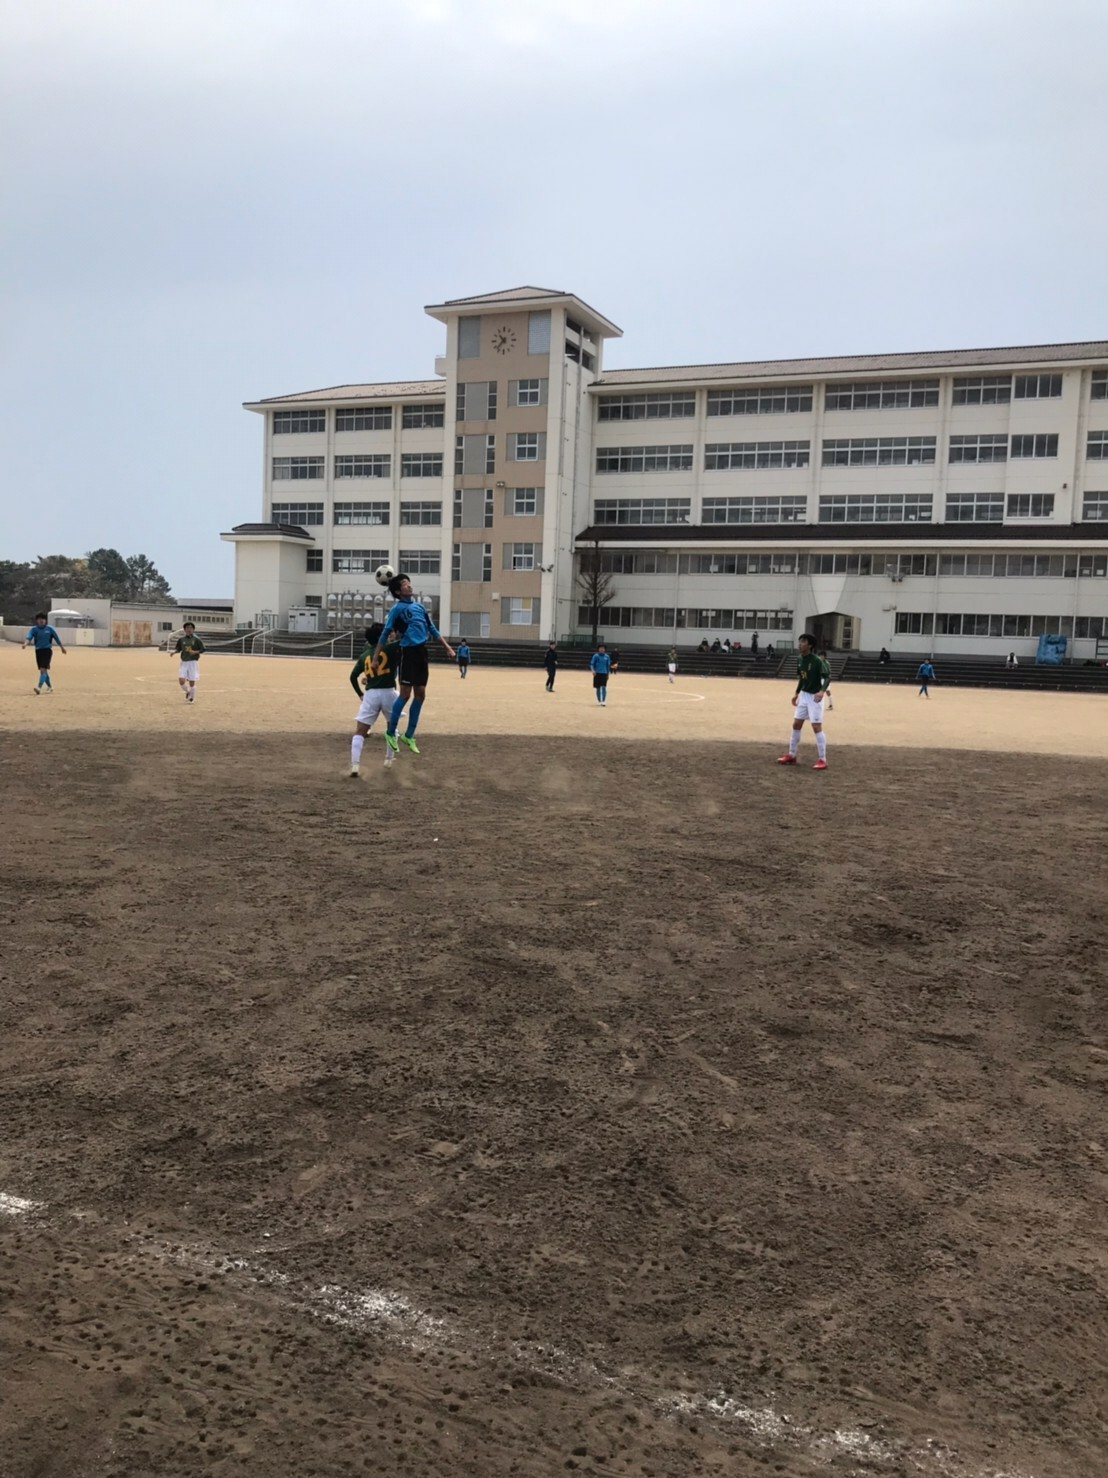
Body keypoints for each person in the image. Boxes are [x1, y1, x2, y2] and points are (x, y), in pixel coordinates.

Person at [375, 573, 455, 755]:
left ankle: (409, 735)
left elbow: (432, 629)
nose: (409, 586)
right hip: (408, 652)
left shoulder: (419, 607)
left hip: (421, 653)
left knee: (421, 694)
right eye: (405, 584)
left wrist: (448, 647)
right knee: (405, 694)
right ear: (398, 591)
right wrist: (375, 657)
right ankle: (390, 733)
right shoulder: (397, 610)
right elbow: (385, 633)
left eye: (409, 583)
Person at [348, 622, 399, 776]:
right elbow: (406, 640)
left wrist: (360, 694)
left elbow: (353, 676)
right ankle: (389, 760)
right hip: (389, 692)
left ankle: (355, 765)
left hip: (371, 694)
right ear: (380, 637)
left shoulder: (364, 655)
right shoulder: (390, 648)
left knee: (360, 731)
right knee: (392, 727)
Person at [777, 633, 831, 770]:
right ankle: (792, 755)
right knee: (796, 724)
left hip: (815, 697)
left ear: (810, 645)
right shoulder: (800, 659)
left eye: (803, 642)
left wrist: (822, 691)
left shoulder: (817, 661)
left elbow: (827, 677)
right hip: (804, 695)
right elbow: (802, 678)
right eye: (800, 641)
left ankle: (823, 759)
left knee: (816, 727)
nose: (800, 644)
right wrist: (796, 694)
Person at [25, 613, 66, 694]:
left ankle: (39, 687)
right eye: (39, 619)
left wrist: (62, 648)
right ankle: (50, 687)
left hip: (47, 651)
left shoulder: (50, 629)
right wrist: (25, 644)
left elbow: (57, 638)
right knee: (43, 671)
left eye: (43, 619)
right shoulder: (34, 629)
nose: (41, 620)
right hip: (38, 651)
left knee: (43, 669)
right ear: (37, 621)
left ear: (45, 620)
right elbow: (29, 637)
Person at [173, 621, 204, 703]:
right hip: (184, 662)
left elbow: (203, 649)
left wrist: (195, 652)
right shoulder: (181, 640)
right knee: (181, 680)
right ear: (184, 629)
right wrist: (174, 652)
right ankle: (188, 691)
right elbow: (179, 648)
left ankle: (192, 698)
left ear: (193, 629)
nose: (189, 629)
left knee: (192, 681)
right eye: (187, 628)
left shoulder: (196, 640)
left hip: (193, 662)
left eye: (191, 628)